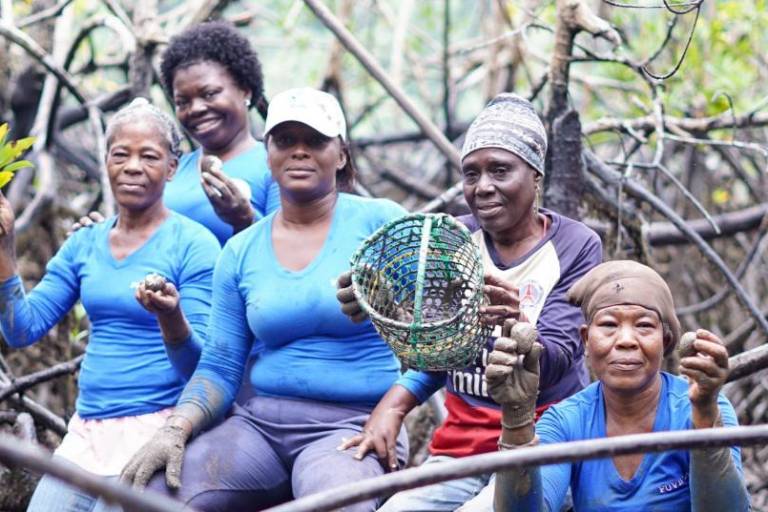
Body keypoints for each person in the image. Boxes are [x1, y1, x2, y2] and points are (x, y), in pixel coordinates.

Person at [120, 88, 408, 511]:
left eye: (315, 141)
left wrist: (394, 409)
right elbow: (220, 365)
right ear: (268, 155)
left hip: (352, 425)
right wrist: (176, 429)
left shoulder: (384, 223)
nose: (299, 152)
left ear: (342, 154)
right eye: (285, 141)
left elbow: (441, 335)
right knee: (151, 496)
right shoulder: (241, 251)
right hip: (259, 427)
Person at [337, 93, 603, 511]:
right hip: (462, 447)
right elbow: (439, 351)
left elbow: (558, 359)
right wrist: (381, 314)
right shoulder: (454, 241)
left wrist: (518, 330)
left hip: (545, 442)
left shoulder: (575, 245)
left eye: (500, 170)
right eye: (471, 173)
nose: (483, 187)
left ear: (535, 175)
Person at [0, 98, 220, 511]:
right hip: (85, 434)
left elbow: (201, 369)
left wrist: (170, 316)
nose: (133, 166)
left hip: (156, 429)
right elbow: (21, 329)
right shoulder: (84, 242)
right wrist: (5, 246)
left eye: (149, 156)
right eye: (121, 154)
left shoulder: (194, 244)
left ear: (172, 168)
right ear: (105, 161)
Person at [487, 260, 749, 512]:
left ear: (665, 341)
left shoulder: (698, 408)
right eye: (609, 325)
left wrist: (704, 413)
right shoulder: (566, 422)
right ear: (586, 340)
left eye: (644, 326)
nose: (626, 340)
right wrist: (517, 417)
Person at [73, 21, 279, 245]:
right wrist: (101, 239)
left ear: (245, 89)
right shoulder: (169, 169)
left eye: (209, 94)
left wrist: (244, 221)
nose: (196, 109)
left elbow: (287, 256)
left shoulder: (274, 167)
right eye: (182, 102)